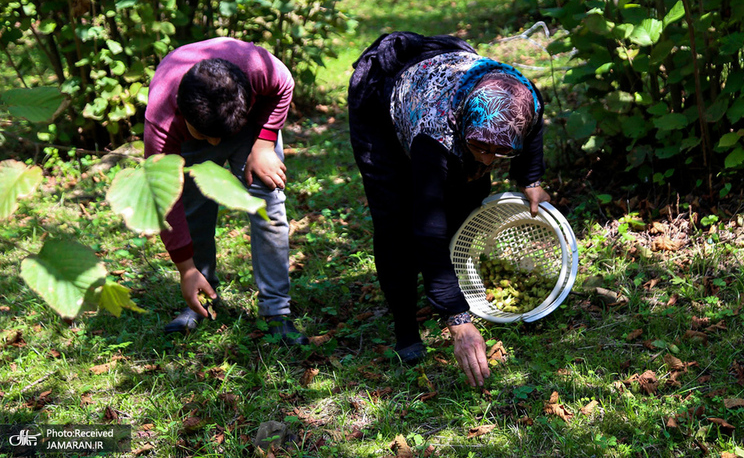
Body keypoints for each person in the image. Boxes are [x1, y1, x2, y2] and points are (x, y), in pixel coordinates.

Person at [347, 31, 550, 387]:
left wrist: (529, 178)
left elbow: (531, 134)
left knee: (466, 201)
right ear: (463, 128)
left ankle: (449, 291)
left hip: (448, 75)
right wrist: (457, 320)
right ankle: (406, 329)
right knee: (397, 219)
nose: (488, 159)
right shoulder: (435, 134)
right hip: (381, 101)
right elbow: (429, 227)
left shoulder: (526, 98)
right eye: (479, 147)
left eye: (500, 153)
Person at [144, 37, 308, 345]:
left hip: (247, 126)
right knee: (193, 211)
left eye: (220, 137)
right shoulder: (163, 118)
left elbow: (283, 83)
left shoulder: (257, 68)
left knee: (268, 204)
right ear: (183, 113)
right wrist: (185, 268)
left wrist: (263, 145)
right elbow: (164, 200)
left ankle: (277, 312)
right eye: (208, 136)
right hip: (190, 142)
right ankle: (202, 295)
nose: (216, 146)